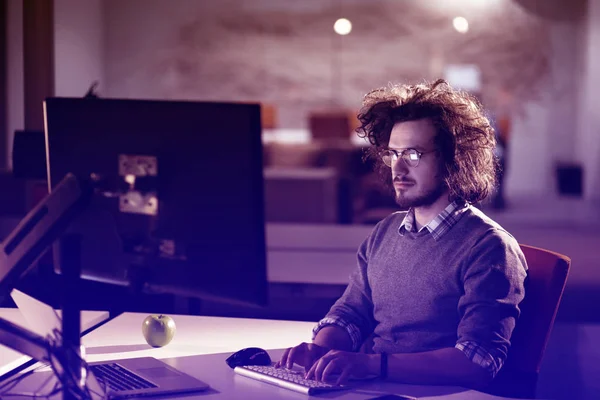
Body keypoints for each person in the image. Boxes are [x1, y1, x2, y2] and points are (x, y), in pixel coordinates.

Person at [275, 79, 528, 390]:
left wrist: (371, 365)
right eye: (393, 153)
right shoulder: (384, 232)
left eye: (413, 155)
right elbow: (351, 312)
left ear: (454, 159)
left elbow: (477, 362)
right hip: (372, 385)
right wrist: (322, 349)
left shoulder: (490, 248)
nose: (398, 169)